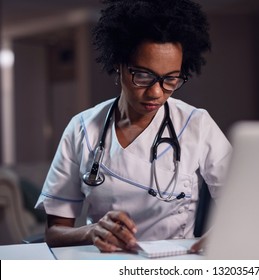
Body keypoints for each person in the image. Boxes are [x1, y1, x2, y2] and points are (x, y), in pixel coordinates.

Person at [35, 0, 231, 253]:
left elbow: (245, 199)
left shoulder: (196, 124)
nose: (156, 92)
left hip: (175, 262)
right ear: (118, 65)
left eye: (170, 79)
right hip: (105, 263)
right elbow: (54, 232)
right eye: (143, 75)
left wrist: (221, 233)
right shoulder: (82, 129)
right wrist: (92, 231)